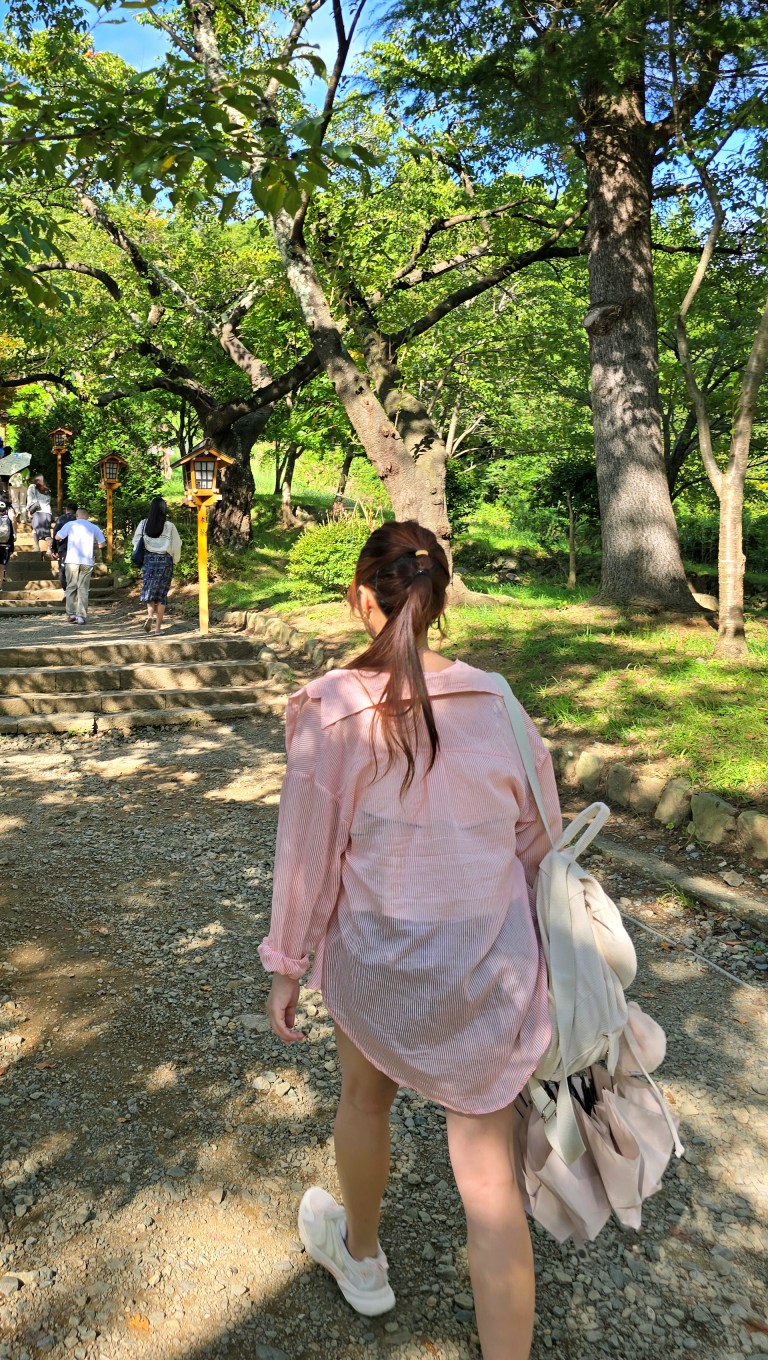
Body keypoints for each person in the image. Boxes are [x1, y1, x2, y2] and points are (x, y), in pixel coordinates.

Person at [259, 521, 558, 1360]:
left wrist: (286, 964)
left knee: (364, 1100)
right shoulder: (497, 701)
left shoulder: (331, 710)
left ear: (363, 597)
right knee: (489, 1176)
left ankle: (362, 1260)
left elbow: (307, 855)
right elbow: (539, 840)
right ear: (439, 602)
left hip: (377, 961)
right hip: (488, 967)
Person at [132, 496, 182, 634]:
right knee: (161, 594)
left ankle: (149, 616)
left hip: (149, 560)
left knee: (149, 590)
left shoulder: (143, 524)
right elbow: (176, 545)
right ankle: (158, 629)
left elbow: (136, 542)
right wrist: (175, 559)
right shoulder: (169, 526)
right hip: (165, 561)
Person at [60, 504, 106, 624]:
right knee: (83, 588)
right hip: (87, 561)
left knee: (71, 586)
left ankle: (71, 613)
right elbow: (102, 544)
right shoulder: (94, 527)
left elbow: (57, 536)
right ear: (87, 517)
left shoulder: (70, 524)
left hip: (72, 560)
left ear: (76, 515)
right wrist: (93, 545)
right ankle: (81, 616)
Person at [26, 475, 53, 558]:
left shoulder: (32, 487)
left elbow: (31, 499)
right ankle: (49, 549)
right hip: (47, 512)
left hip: (37, 511)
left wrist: (29, 510)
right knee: (47, 531)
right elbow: (48, 500)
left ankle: (37, 547)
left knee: (35, 529)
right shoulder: (47, 489)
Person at [51, 503, 77, 589]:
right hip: (77, 548)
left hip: (63, 547)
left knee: (63, 570)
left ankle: (66, 590)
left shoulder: (61, 518)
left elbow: (56, 533)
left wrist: (54, 549)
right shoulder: (78, 519)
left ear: (66, 509)